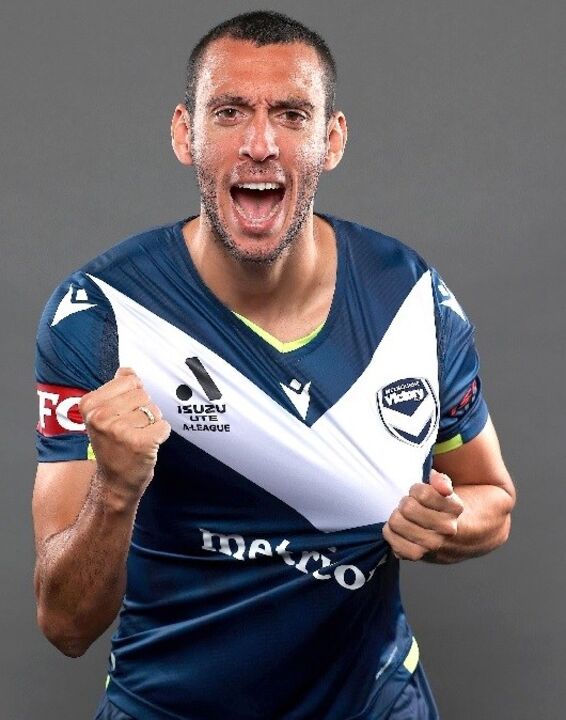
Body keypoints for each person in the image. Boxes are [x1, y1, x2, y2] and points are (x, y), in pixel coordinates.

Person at [32, 11, 515, 720]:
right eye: (229, 112)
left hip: (374, 705)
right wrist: (114, 489)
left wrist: (446, 525)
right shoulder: (101, 315)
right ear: (185, 134)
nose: (260, 145)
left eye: (291, 115)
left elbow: (491, 497)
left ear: (332, 140)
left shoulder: (411, 298)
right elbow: (65, 624)